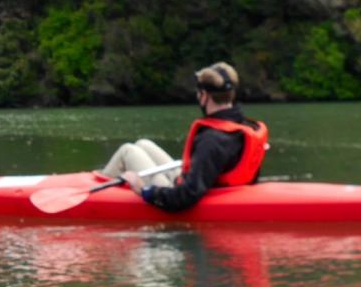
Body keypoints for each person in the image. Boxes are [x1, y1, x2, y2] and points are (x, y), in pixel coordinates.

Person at [99, 62, 269, 212]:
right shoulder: (244, 125)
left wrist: (143, 190)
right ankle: (108, 182)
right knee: (143, 144)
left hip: (186, 194)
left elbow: (186, 197)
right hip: (207, 185)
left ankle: (99, 192)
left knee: (128, 151)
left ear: (204, 96)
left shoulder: (212, 140)